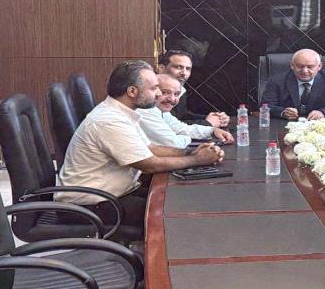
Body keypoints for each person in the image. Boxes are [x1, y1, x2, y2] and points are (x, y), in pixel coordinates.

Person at [57, 60, 225, 230]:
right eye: (154, 88)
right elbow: (149, 164)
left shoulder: (123, 112)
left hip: (112, 195)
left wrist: (190, 152)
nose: (158, 94)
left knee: (180, 198)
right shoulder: (109, 121)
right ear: (132, 91)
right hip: (89, 207)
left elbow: (150, 149)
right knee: (175, 213)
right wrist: (197, 160)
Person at [137, 74, 234, 149]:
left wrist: (212, 131)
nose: (172, 99)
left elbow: (181, 128)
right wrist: (184, 137)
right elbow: (173, 144)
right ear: (154, 91)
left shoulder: (161, 110)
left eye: (176, 94)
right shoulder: (146, 111)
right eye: (165, 92)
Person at [261, 49, 325, 120]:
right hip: (285, 125)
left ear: (319, 66)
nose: (305, 71)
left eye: (310, 67)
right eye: (300, 66)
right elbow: (266, 105)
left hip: (318, 124)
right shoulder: (276, 80)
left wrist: (323, 112)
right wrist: (283, 112)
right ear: (292, 65)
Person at [158, 50, 230, 128]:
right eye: (178, 67)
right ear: (162, 68)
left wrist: (216, 118)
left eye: (188, 69)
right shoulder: (153, 91)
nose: (184, 73)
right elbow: (168, 125)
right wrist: (207, 123)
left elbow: (182, 116)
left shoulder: (181, 90)